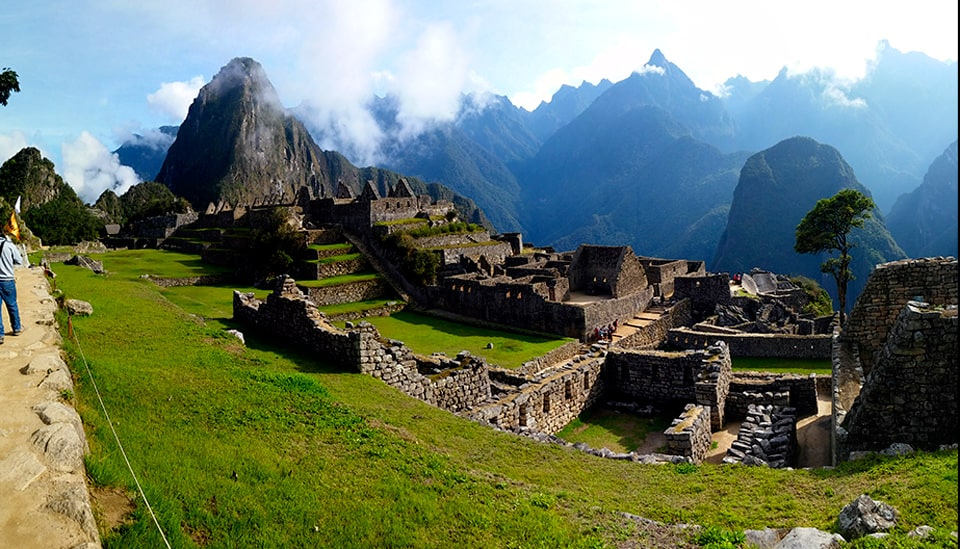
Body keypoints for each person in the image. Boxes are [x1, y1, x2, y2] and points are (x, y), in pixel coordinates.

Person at [0, 230, 23, 344]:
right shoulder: (9, 245)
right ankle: (17, 328)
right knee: (12, 305)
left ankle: (0, 334)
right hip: (7, 280)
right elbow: (19, 261)